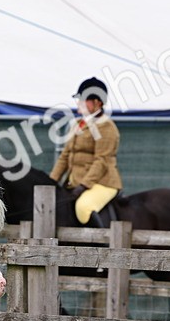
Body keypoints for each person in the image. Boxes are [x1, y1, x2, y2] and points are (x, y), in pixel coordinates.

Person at [49, 77, 123, 228]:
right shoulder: (77, 124)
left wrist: (84, 185)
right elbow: (65, 156)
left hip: (102, 182)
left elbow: (101, 160)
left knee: (83, 207)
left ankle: (101, 247)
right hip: (75, 182)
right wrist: (51, 181)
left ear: (98, 103)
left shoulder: (106, 127)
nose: (79, 103)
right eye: (79, 99)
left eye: (84, 100)